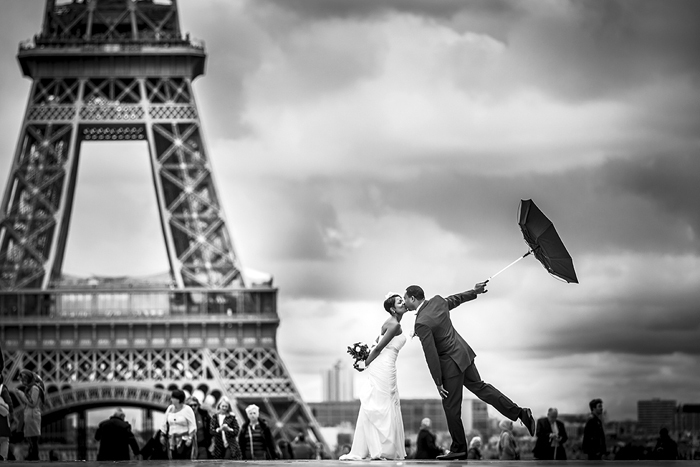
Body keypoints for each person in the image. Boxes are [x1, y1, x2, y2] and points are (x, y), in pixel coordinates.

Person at [405, 283, 535, 460]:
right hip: (464, 354)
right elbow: (456, 299)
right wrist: (475, 292)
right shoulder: (437, 301)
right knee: (482, 388)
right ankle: (520, 412)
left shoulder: (421, 323)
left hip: (450, 364)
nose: (404, 301)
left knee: (451, 407)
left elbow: (431, 355)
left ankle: (459, 447)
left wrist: (438, 382)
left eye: (405, 298)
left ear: (413, 298)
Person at [340, 293, 409, 460]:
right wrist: (366, 363)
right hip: (383, 367)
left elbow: (375, 344)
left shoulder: (390, 323)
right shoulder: (394, 325)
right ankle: (383, 450)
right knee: (382, 404)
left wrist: (365, 357)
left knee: (381, 403)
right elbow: (377, 348)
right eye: (400, 301)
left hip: (385, 366)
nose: (404, 302)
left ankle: (380, 448)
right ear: (393, 308)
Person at [14, 370, 43, 461]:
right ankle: (32, 454)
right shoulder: (30, 388)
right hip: (30, 415)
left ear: (27, 378)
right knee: (30, 437)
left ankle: (34, 455)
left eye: (23, 380)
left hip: (32, 416)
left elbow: (32, 403)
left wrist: (21, 395)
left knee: (33, 438)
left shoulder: (34, 388)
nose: (22, 382)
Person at [159, 389, 197, 460]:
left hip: (184, 440)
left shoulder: (187, 409)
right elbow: (164, 423)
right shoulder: (170, 408)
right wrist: (162, 435)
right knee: (173, 461)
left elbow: (192, 425)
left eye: (173, 398)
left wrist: (190, 438)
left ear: (178, 399)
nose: (171, 399)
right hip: (172, 440)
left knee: (184, 461)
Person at [0, 374, 13, 461]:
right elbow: (9, 402)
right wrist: (11, 412)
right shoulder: (2, 388)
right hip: (2, 416)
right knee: (4, 439)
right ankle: (2, 456)